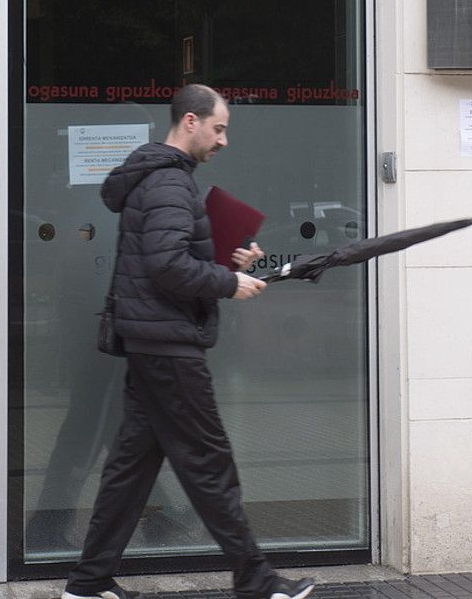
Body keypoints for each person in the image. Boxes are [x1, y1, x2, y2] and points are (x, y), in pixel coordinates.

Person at [62, 85, 315, 599]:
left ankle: (87, 586)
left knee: (131, 468)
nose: (223, 140)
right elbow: (167, 266)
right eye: (219, 128)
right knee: (209, 461)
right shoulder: (170, 184)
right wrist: (229, 283)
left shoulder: (157, 179)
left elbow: (173, 255)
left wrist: (230, 258)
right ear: (191, 121)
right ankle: (257, 580)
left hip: (151, 340)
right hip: (168, 343)